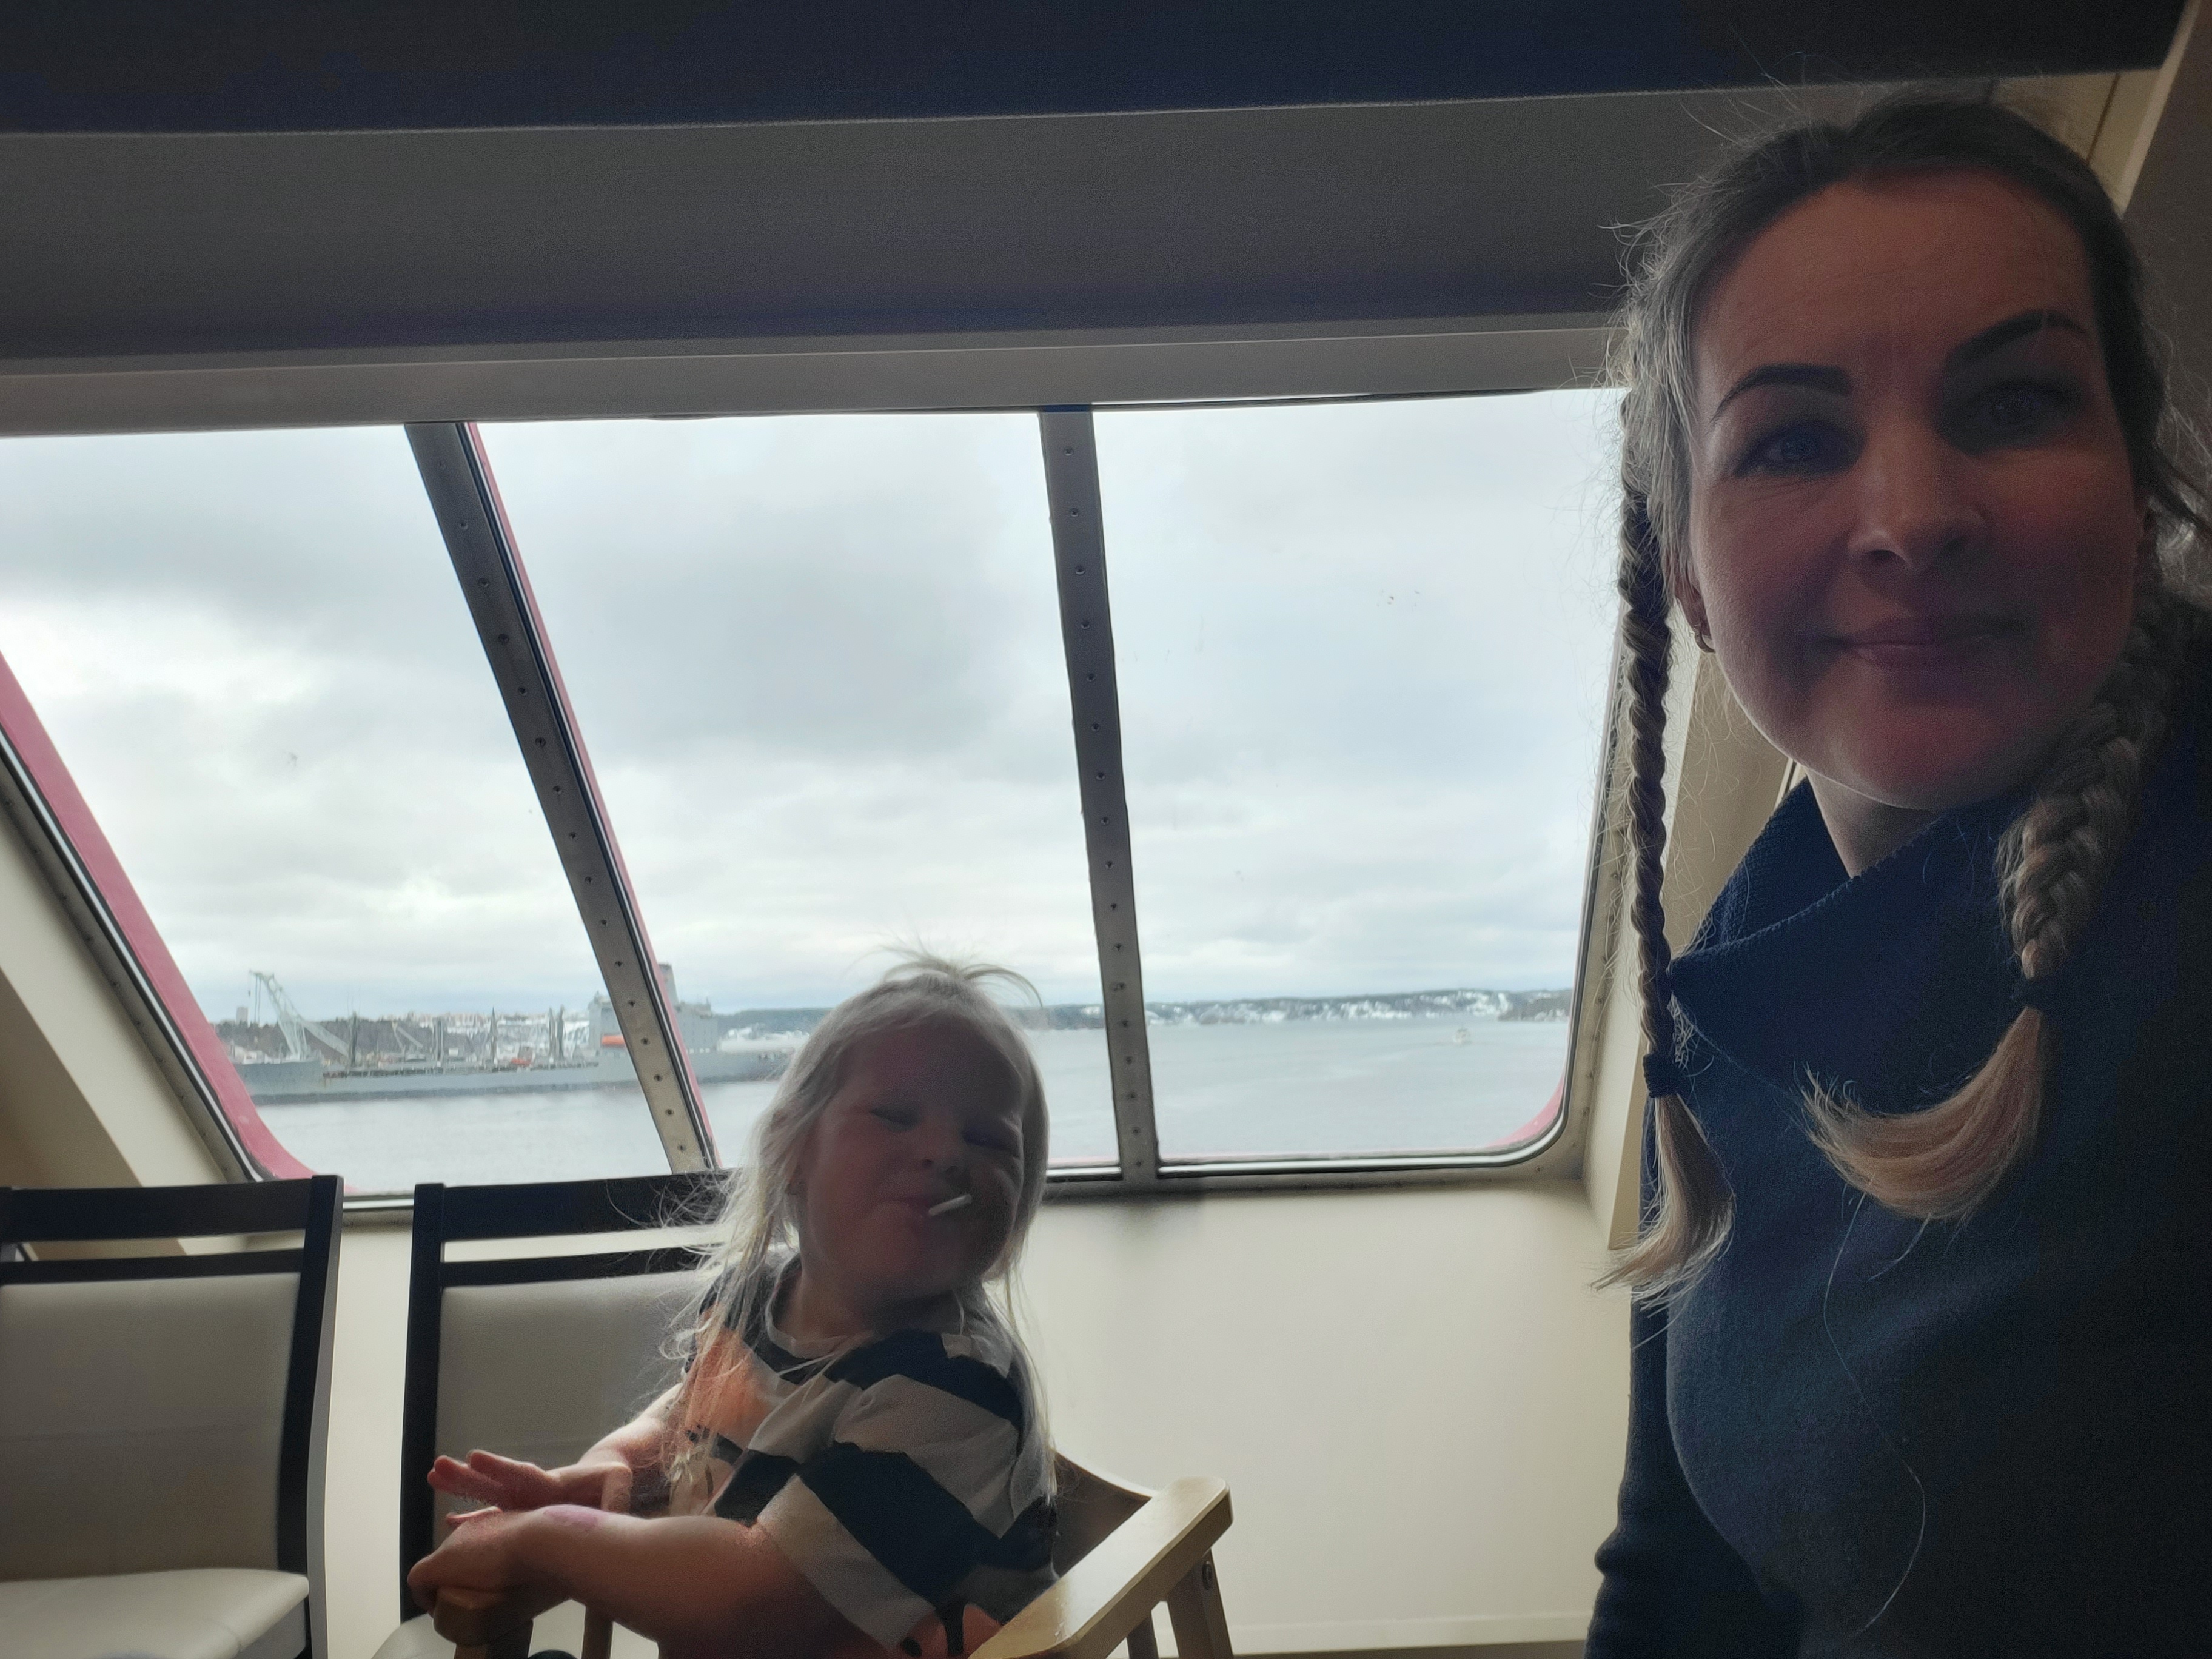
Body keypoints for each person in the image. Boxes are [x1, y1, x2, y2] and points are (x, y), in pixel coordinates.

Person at [1584, 95, 2212, 1655]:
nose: (1916, 519)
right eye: (1796, 440)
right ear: (1688, 578)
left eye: (2013, 403)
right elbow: (1676, 1579)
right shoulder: (1724, 993)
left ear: (2137, 484)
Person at [407, 954, 1058, 1659]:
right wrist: (608, 1472)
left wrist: (544, 1542)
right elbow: (686, 1421)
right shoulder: (750, 1298)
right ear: (790, 1151)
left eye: (989, 1138)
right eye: (895, 1115)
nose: (944, 1151)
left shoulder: (956, 1389)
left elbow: (750, 1601)